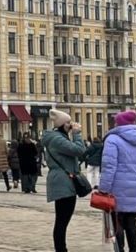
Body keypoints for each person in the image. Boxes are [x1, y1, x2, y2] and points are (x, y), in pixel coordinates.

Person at [99, 110, 136, 252]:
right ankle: (134, 250)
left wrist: (103, 189)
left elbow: (109, 167)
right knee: (131, 222)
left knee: (118, 222)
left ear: (118, 123)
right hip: (135, 188)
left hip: (117, 188)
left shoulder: (112, 139)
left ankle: (119, 249)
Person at [42, 108, 85, 252]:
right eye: (68, 123)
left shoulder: (58, 137)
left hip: (64, 181)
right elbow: (79, 150)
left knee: (62, 219)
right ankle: (61, 249)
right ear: (60, 124)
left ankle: (61, 248)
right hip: (63, 182)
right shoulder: (57, 139)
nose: (70, 125)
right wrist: (77, 134)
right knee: (62, 220)